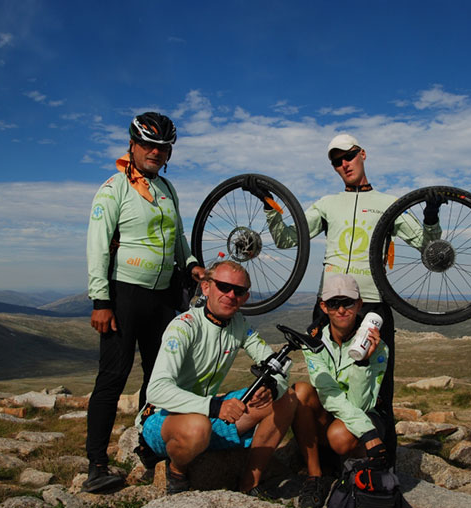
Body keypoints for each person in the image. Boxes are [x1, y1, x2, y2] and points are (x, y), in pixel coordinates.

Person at [248, 134, 444, 469]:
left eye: (349, 156)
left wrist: (430, 214)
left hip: (372, 303)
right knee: (325, 384)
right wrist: (270, 205)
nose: (344, 164)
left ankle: (383, 466)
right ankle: (323, 465)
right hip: (330, 305)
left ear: (363, 154)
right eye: (336, 160)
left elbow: (430, 249)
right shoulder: (327, 203)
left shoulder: (388, 203)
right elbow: (286, 238)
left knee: (379, 389)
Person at [84, 112, 204, 493]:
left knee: (159, 377)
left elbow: (180, 237)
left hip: (163, 295)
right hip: (125, 294)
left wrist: (192, 266)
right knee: (113, 377)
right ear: (132, 146)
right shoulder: (113, 188)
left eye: (163, 147)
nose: (155, 152)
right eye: (148, 145)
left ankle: (147, 449)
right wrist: (100, 300)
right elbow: (98, 246)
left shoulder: (168, 189)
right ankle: (96, 465)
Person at [137, 260, 298, 495]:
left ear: (245, 297)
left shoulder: (239, 325)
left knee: (288, 398)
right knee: (197, 428)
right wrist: (214, 407)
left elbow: (278, 364)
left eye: (239, 291)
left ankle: (249, 483)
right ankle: (177, 471)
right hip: (164, 418)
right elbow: (157, 391)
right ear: (206, 288)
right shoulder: (184, 327)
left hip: (208, 413)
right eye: (223, 286)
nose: (231, 295)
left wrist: (272, 388)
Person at [293, 274, 389, 508]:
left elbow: (361, 406)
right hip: (333, 414)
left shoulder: (379, 348)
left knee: (340, 435)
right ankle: (314, 477)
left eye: (347, 303)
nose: (341, 310)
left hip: (362, 415)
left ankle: (353, 472)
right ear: (323, 307)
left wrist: (362, 362)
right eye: (334, 304)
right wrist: (368, 434)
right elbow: (326, 392)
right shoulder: (314, 343)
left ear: (359, 305)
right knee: (301, 391)